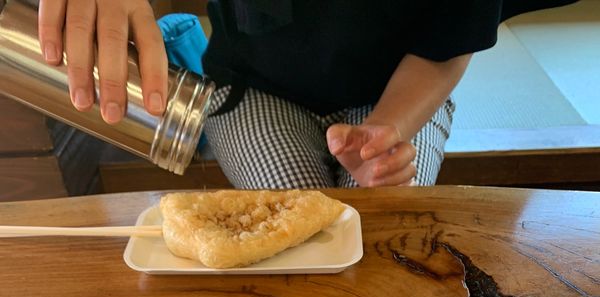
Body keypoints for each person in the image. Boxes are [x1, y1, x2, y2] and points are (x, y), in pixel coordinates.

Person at [37, 0, 577, 189]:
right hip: (255, 88)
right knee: (299, 229)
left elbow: (447, 44)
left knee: (373, 225)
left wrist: (385, 132)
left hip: (395, 91)